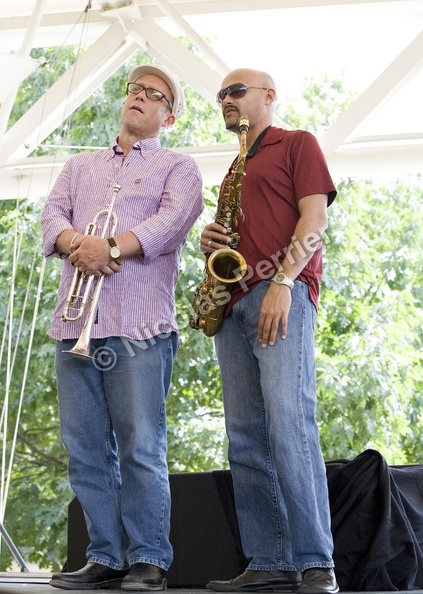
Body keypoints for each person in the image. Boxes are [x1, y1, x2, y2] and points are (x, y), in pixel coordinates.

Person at [41, 64, 203, 591]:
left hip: (138, 328)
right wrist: (77, 244)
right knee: (84, 446)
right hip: (75, 324)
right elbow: (51, 218)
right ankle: (105, 556)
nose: (139, 97)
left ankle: (149, 558)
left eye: (154, 94)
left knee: (139, 446)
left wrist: (109, 246)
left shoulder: (178, 168)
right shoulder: (78, 167)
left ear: (168, 116)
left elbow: (171, 223)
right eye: (134, 89)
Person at [200, 68, 339, 594]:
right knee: (244, 436)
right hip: (233, 304)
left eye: (236, 91)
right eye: (221, 95)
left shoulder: (297, 143)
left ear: (268, 97)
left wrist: (282, 281)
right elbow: (234, 241)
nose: (226, 100)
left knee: (288, 423)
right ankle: (268, 561)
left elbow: (314, 218)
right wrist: (211, 240)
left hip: (280, 293)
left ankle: (314, 560)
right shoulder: (234, 171)